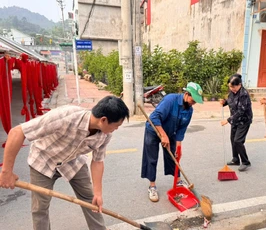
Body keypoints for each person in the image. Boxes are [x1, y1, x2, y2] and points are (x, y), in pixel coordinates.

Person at [0, 96, 129, 230]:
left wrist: (98, 194)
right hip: (43, 160)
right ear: (103, 120)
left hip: (73, 162)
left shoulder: (105, 135)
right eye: (116, 125)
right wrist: (6, 171)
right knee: (40, 208)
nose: (117, 129)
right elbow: (17, 132)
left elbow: (97, 161)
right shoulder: (65, 116)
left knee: (91, 202)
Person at [141, 82, 203, 202]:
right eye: (193, 99)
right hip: (154, 130)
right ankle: (152, 186)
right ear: (186, 94)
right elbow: (154, 117)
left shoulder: (189, 111)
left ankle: (178, 181)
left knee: (174, 156)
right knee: (151, 158)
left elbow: (181, 129)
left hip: (170, 133)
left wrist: (178, 148)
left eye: (195, 101)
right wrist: (163, 135)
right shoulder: (170, 100)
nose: (193, 103)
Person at [220, 74, 253, 172]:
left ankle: (246, 162)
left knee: (238, 141)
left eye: (233, 87)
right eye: (230, 86)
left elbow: (241, 111)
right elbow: (231, 101)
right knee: (233, 139)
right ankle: (235, 159)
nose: (231, 89)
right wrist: (224, 102)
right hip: (235, 120)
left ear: (239, 85)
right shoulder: (232, 92)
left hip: (244, 120)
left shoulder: (244, 94)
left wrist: (228, 120)